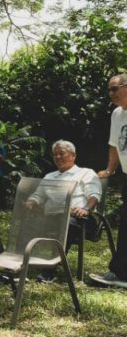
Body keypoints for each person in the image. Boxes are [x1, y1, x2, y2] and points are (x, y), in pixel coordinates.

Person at [25, 140, 101, 283]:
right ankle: (17, 265)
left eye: (62, 153)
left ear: (73, 155)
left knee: (67, 224)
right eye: (55, 155)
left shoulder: (85, 173)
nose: (58, 157)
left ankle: (49, 271)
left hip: (80, 220)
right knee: (27, 223)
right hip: (52, 218)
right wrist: (32, 201)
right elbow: (38, 195)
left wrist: (86, 209)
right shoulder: (49, 176)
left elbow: (95, 195)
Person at [91, 73, 127, 288]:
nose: (111, 94)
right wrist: (110, 169)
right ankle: (120, 273)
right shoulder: (116, 114)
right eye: (109, 90)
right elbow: (114, 144)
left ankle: (119, 272)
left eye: (115, 88)